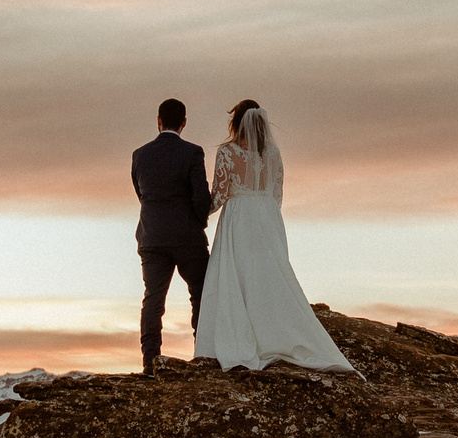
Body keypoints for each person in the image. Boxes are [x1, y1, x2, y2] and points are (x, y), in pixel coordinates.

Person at [194, 100, 354, 373]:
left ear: (237, 122)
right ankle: (275, 334)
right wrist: (266, 215)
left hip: (239, 217)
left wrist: (198, 217)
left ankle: (242, 342)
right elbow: (277, 194)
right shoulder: (274, 154)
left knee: (237, 278)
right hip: (267, 217)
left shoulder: (228, 152)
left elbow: (219, 195)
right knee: (268, 277)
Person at [131, 98, 211, 375]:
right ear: (184, 123)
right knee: (201, 294)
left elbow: (141, 194)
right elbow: (200, 195)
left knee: (153, 299)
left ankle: (150, 362)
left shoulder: (140, 155)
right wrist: (199, 222)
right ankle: (203, 354)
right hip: (187, 235)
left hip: (152, 236)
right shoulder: (192, 153)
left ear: (158, 119)